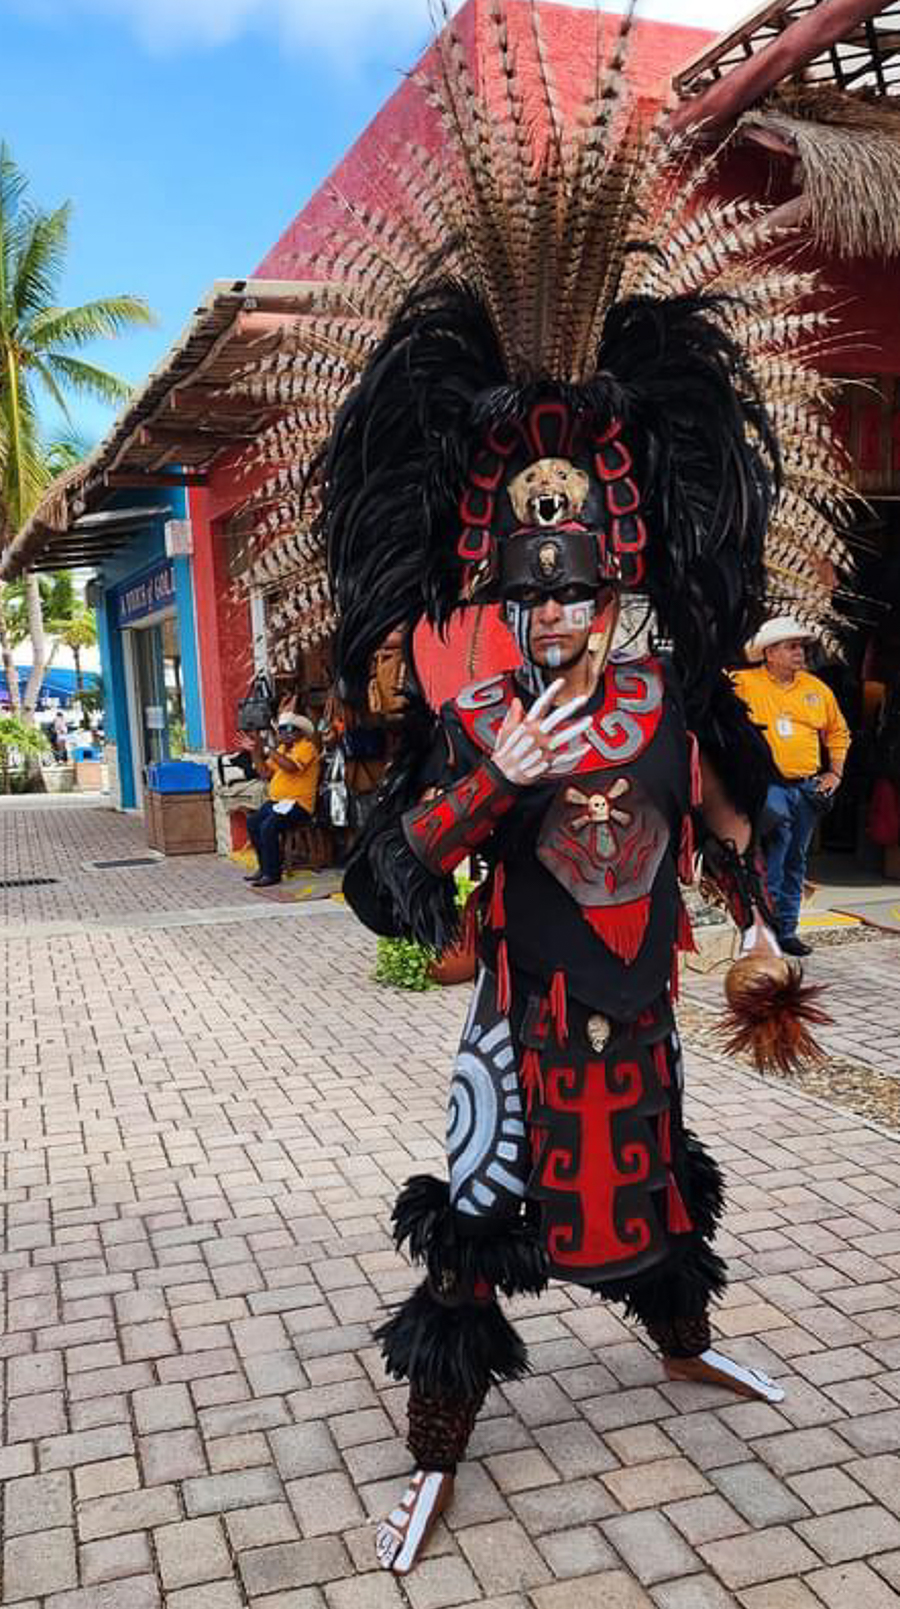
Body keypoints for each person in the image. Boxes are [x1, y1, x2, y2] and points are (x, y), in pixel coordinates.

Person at [258, 6, 847, 1575]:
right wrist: (487, 781)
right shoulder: (485, 712)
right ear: (505, 594)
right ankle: (435, 1448)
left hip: (642, 1010)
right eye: (537, 596)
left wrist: (764, 921)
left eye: (581, 589)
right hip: (516, 1024)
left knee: (660, 1192)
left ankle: (681, 1338)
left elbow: (721, 813)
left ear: (621, 578)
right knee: (475, 1220)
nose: (561, 614)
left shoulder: (671, 695)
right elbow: (387, 885)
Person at [734, 617, 850, 957]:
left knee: (795, 860)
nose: (800, 652)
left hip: (806, 786)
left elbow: (838, 733)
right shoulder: (743, 682)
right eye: (792, 646)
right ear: (769, 653)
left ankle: (786, 930)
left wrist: (836, 774)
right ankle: (765, 929)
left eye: (801, 647)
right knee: (776, 852)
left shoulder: (816, 689)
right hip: (769, 785)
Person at [245, 711, 321, 888]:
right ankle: (264, 868)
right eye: (281, 730)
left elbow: (291, 767)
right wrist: (254, 751)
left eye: (290, 729)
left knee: (268, 827)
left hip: (299, 805)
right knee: (252, 822)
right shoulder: (280, 750)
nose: (284, 733)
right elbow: (264, 773)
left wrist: (266, 748)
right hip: (278, 803)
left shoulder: (307, 747)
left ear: (300, 732)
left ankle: (273, 874)